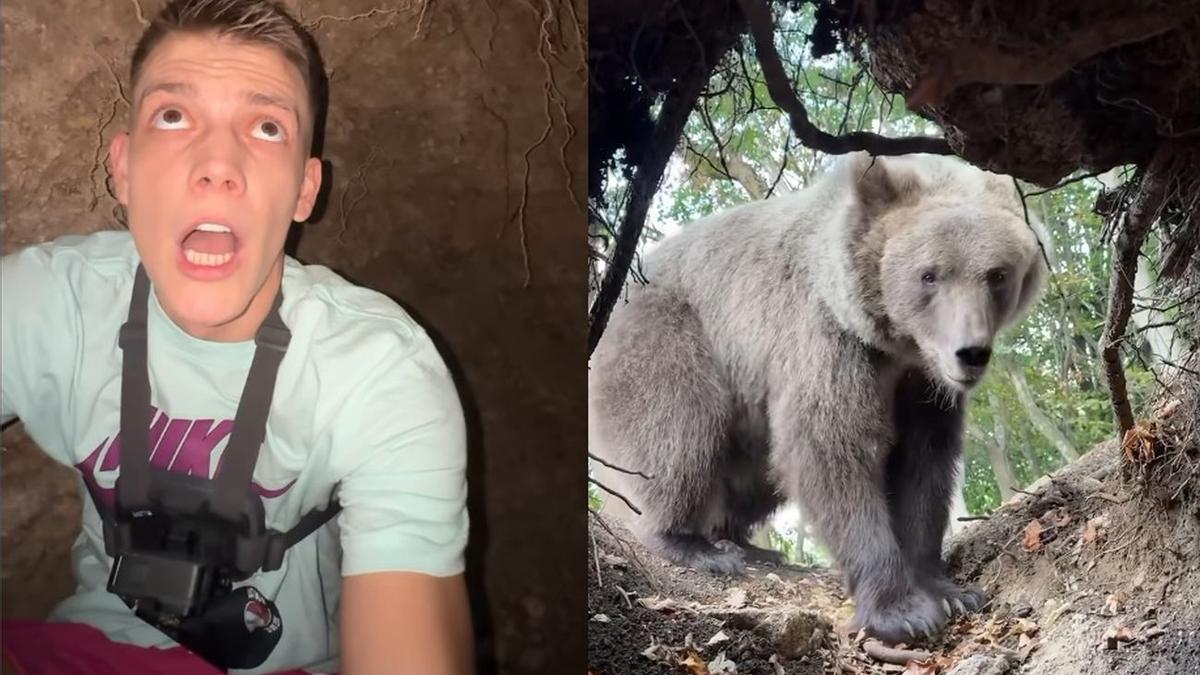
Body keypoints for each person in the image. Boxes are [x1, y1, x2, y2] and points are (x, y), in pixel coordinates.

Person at [0, 0, 473, 672]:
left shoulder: (379, 371)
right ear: (124, 168)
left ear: (306, 189)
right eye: (174, 115)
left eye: (267, 126)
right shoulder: (52, 303)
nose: (217, 164)